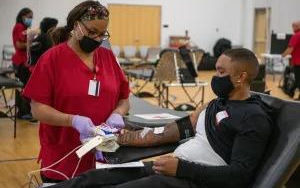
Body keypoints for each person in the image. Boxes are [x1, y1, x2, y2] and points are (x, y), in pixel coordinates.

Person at [49, 48, 273, 188]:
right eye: (215, 70)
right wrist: (116, 139)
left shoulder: (253, 118)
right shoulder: (215, 103)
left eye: (221, 72)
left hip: (193, 179)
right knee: (95, 178)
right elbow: (168, 133)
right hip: (173, 168)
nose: (215, 77)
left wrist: (182, 170)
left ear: (241, 76)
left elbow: (238, 177)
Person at [23, 0, 130, 182]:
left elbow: (124, 98)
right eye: (91, 32)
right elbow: (37, 108)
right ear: (76, 26)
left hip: (104, 157)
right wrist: (72, 120)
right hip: (63, 161)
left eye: (102, 34)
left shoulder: (108, 57)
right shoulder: (52, 59)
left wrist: (118, 113)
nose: (97, 39)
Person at [12, 7, 34, 120]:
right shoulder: (19, 27)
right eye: (29, 17)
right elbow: (19, 45)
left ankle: (22, 111)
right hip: (21, 62)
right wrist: (31, 44)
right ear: (22, 16)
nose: (30, 19)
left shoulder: (24, 28)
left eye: (32, 17)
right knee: (23, 87)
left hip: (23, 61)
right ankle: (23, 112)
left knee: (23, 86)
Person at [282, 21, 300, 99]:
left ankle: (290, 92)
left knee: (298, 79)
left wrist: (282, 55)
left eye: (293, 26)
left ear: (297, 26)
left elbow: (290, 49)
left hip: (298, 62)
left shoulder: (296, 35)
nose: (292, 28)